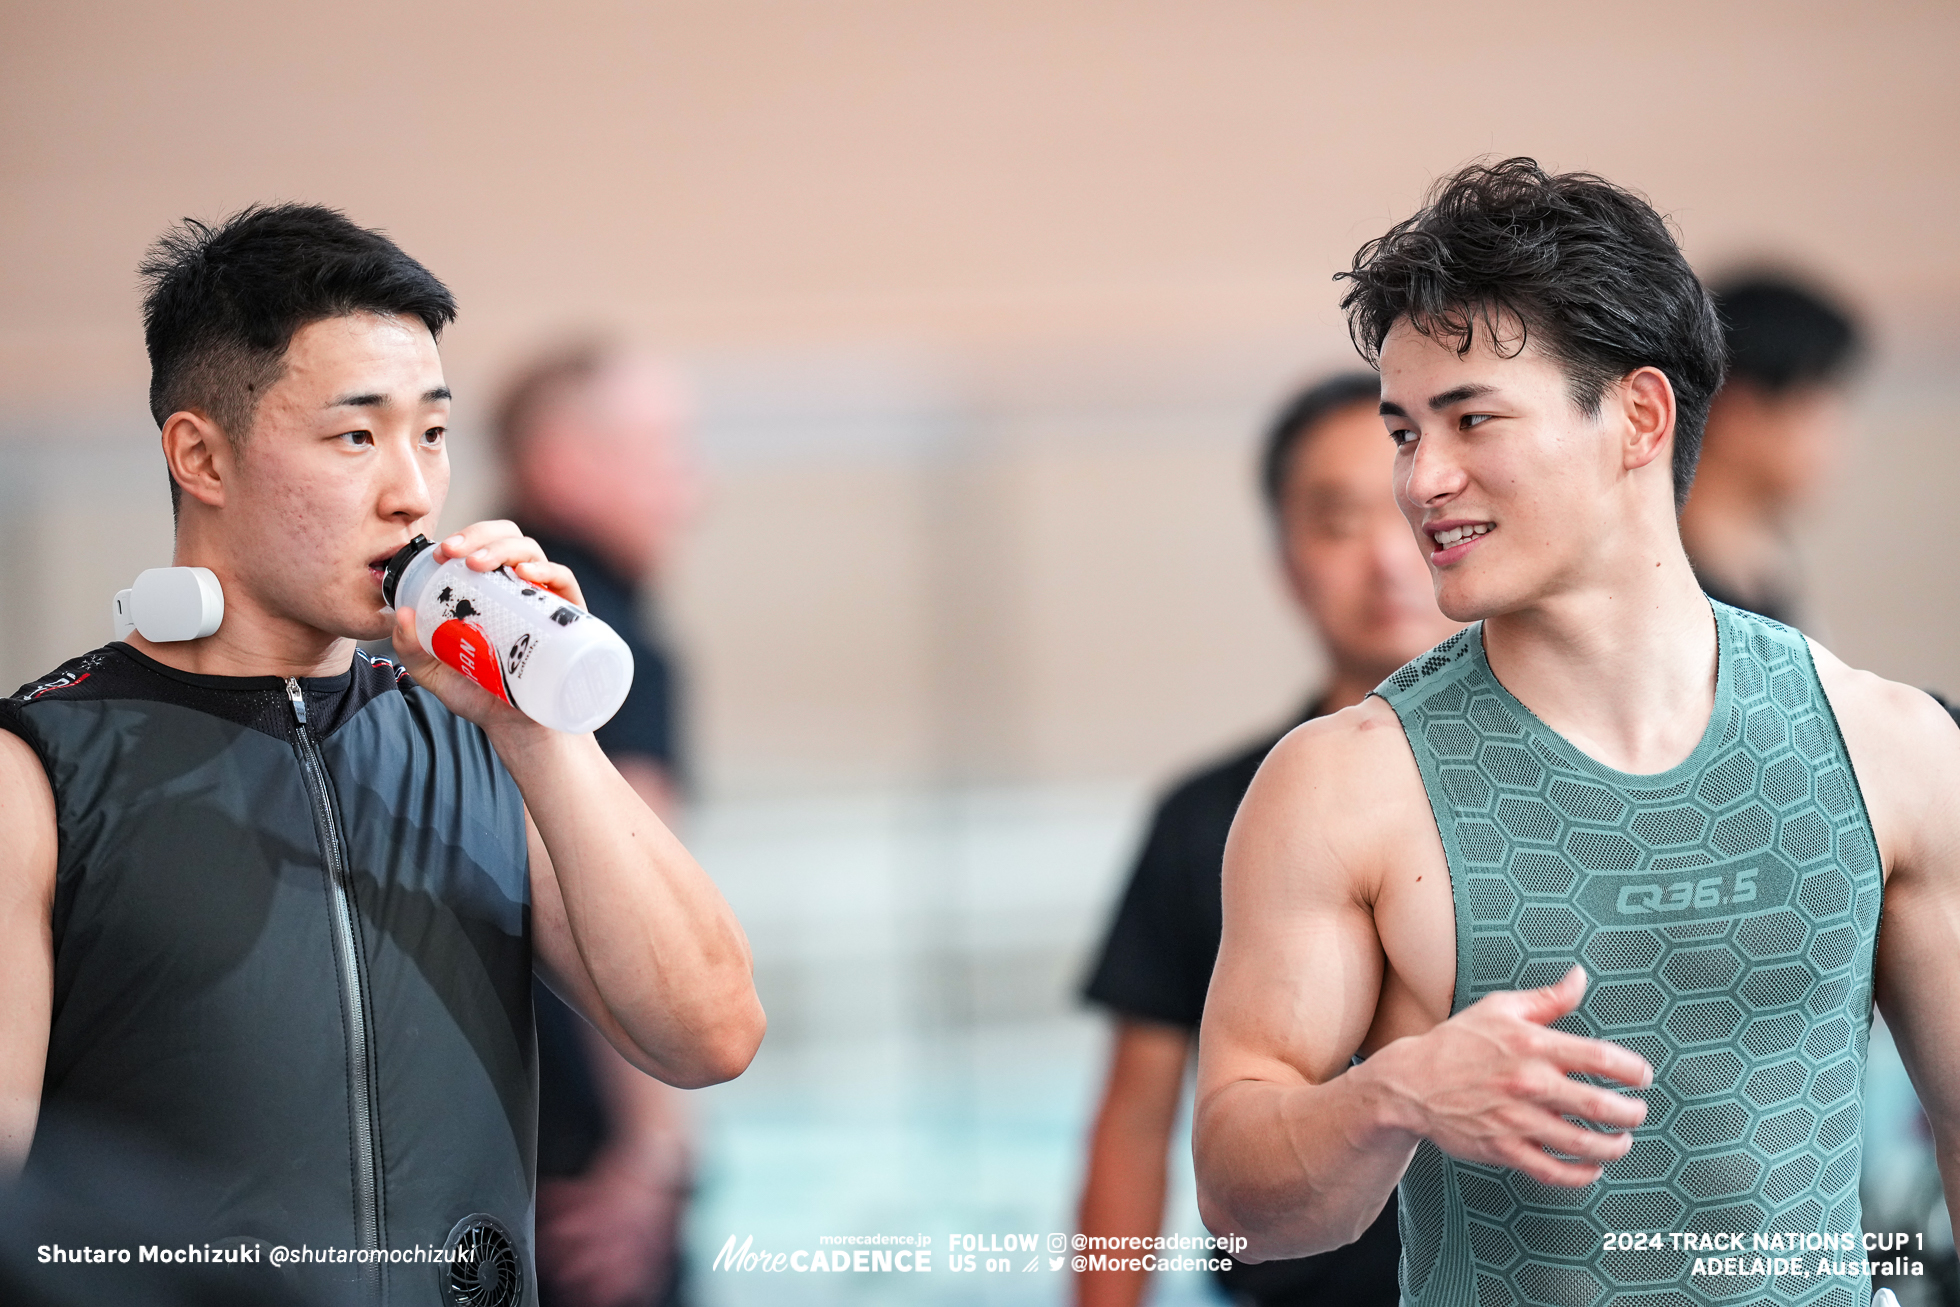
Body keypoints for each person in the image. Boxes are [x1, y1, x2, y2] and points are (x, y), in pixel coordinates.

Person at [1193, 159, 1960, 1306]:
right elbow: (1241, 1211)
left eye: (1470, 419)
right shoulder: (1344, 787)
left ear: (1638, 416)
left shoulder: (1889, 747)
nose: (1420, 479)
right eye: (1405, 430)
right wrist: (1394, 1091)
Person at [0, 205, 766, 1307]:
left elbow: (710, 1033)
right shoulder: (42, 772)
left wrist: (537, 726)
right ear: (200, 456)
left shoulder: (484, 741)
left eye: (434, 433)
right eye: (356, 435)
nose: (411, 488)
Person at [1075, 372, 1458, 1307]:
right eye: (1337, 522)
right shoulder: (1207, 816)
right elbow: (1134, 1121)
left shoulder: (1572, 777)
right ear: (1284, 559)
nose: (1386, 558)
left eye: (1411, 511)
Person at [496, 342, 703, 1307]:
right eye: (665, 451)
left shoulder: (473, 622)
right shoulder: (595, 638)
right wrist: (654, 1154)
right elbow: (627, 901)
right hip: (586, 1165)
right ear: (565, 463)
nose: (691, 488)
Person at [1680, 274, 1864, 626]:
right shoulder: (1675, 595)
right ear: (1737, 412)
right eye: (1814, 405)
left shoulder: (1763, 570)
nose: (1837, 435)